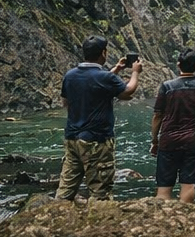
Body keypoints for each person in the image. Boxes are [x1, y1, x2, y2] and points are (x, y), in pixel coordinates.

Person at [57, 35, 142, 200]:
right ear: (104, 52)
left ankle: (52, 216)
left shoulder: (70, 75)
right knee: (100, 191)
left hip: (72, 138)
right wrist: (135, 73)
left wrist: (116, 69)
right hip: (96, 141)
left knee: (66, 188)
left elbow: (66, 102)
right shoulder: (104, 77)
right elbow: (127, 91)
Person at [150, 49, 195, 203]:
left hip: (169, 141)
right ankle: (185, 220)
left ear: (178, 65)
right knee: (188, 185)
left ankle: (164, 220)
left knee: (163, 188)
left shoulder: (167, 86)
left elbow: (157, 116)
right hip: (193, 141)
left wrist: (155, 140)